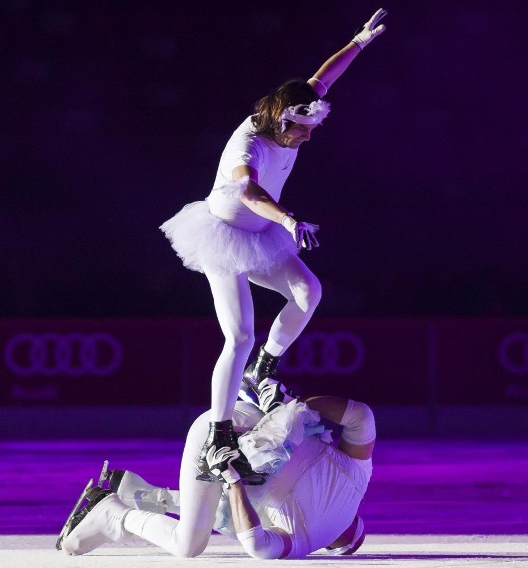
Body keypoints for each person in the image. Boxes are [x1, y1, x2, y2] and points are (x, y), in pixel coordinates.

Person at [159, 8, 388, 482]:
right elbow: (249, 192)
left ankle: (262, 369)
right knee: (238, 334)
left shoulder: (294, 109)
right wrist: (288, 219)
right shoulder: (250, 146)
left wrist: (360, 41)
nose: (307, 137)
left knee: (308, 292)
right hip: (224, 238)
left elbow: (323, 77)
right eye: (302, 130)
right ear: (282, 121)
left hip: (258, 236)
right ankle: (219, 433)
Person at [56, 377, 376, 558]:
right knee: (190, 543)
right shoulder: (307, 539)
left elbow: (361, 416)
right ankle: (114, 512)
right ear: (334, 547)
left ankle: (140, 493)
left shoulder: (356, 479)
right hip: (217, 443)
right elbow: (257, 545)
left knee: (235, 501)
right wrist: (233, 480)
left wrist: (291, 406)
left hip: (236, 416)